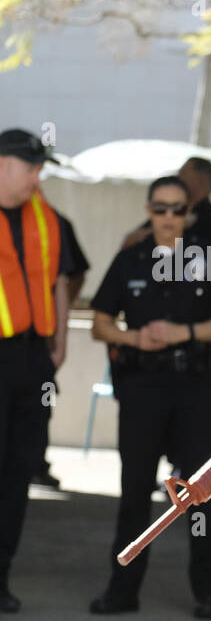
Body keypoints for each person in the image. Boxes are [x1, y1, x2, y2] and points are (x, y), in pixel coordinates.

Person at [89, 176, 211, 617]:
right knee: (134, 491)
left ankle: (207, 594)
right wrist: (135, 339)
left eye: (179, 209)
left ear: (189, 213)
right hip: (143, 388)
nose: (169, 217)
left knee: (200, 492)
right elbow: (100, 322)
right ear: (148, 209)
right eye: (161, 208)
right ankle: (122, 591)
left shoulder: (207, 257)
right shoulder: (130, 258)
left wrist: (185, 332)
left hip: (196, 387)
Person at [0, 128, 73, 613]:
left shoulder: (47, 220)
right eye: (30, 166)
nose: (36, 176)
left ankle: (0, 575)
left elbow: (60, 283)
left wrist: (60, 343)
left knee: (17, 471)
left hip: (30, 359)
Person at [32, 207, 90, 491]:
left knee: (41, 405)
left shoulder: (52, 221)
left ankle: (36, 463)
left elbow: (73, 275)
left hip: (37, 345)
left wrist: (58, 332)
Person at [122, 157, 211, 251]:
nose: (179, 177)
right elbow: (131, 241)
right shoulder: (170, 210)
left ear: (200, 180)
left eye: (183, 173)